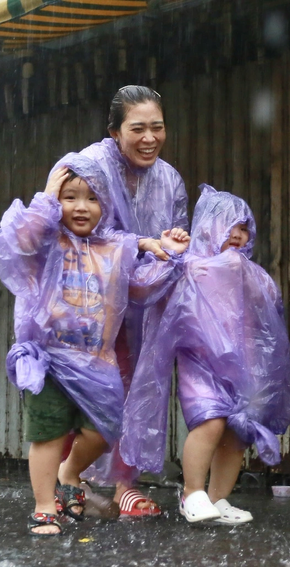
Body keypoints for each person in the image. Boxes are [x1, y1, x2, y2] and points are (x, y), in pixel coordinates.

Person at [0, 153, 187, 536]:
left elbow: (142, 285)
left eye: (93, 198)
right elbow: (19, 240)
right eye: (70, 197)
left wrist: (169, 256)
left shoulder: (117, 247)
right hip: (47, 357)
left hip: (97, 361)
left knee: (105, 430)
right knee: (47, 434)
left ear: (107, 204)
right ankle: (45, 506)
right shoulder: (47, 240)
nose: (81, 207)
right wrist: (46, 198)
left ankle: (70, 472)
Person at [121, 186, 290, 524]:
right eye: (231, 225)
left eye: (245, 228)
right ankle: (193, 493)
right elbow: (143, 286)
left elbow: (268, 323)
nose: (239, 235)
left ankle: (219, 498)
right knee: (210, 421)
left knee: (238, 433)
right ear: (208, 226)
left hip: (244, 367)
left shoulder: (253, 274)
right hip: (199, 362)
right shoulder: (189, 265)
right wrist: (170, 254)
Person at [78, 85, 189, 518]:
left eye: (157, 128)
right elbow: (74, 230)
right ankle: (77, 480)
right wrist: (140, 243)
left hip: (144, 303)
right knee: (92, 390)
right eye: (137, 129)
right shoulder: (90, 167)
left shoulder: (170, 179)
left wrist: (175, 243)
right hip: (88, 302)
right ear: (114, 132)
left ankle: (120, 483)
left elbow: (177, 236)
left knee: (138, 388)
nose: (149, 138)